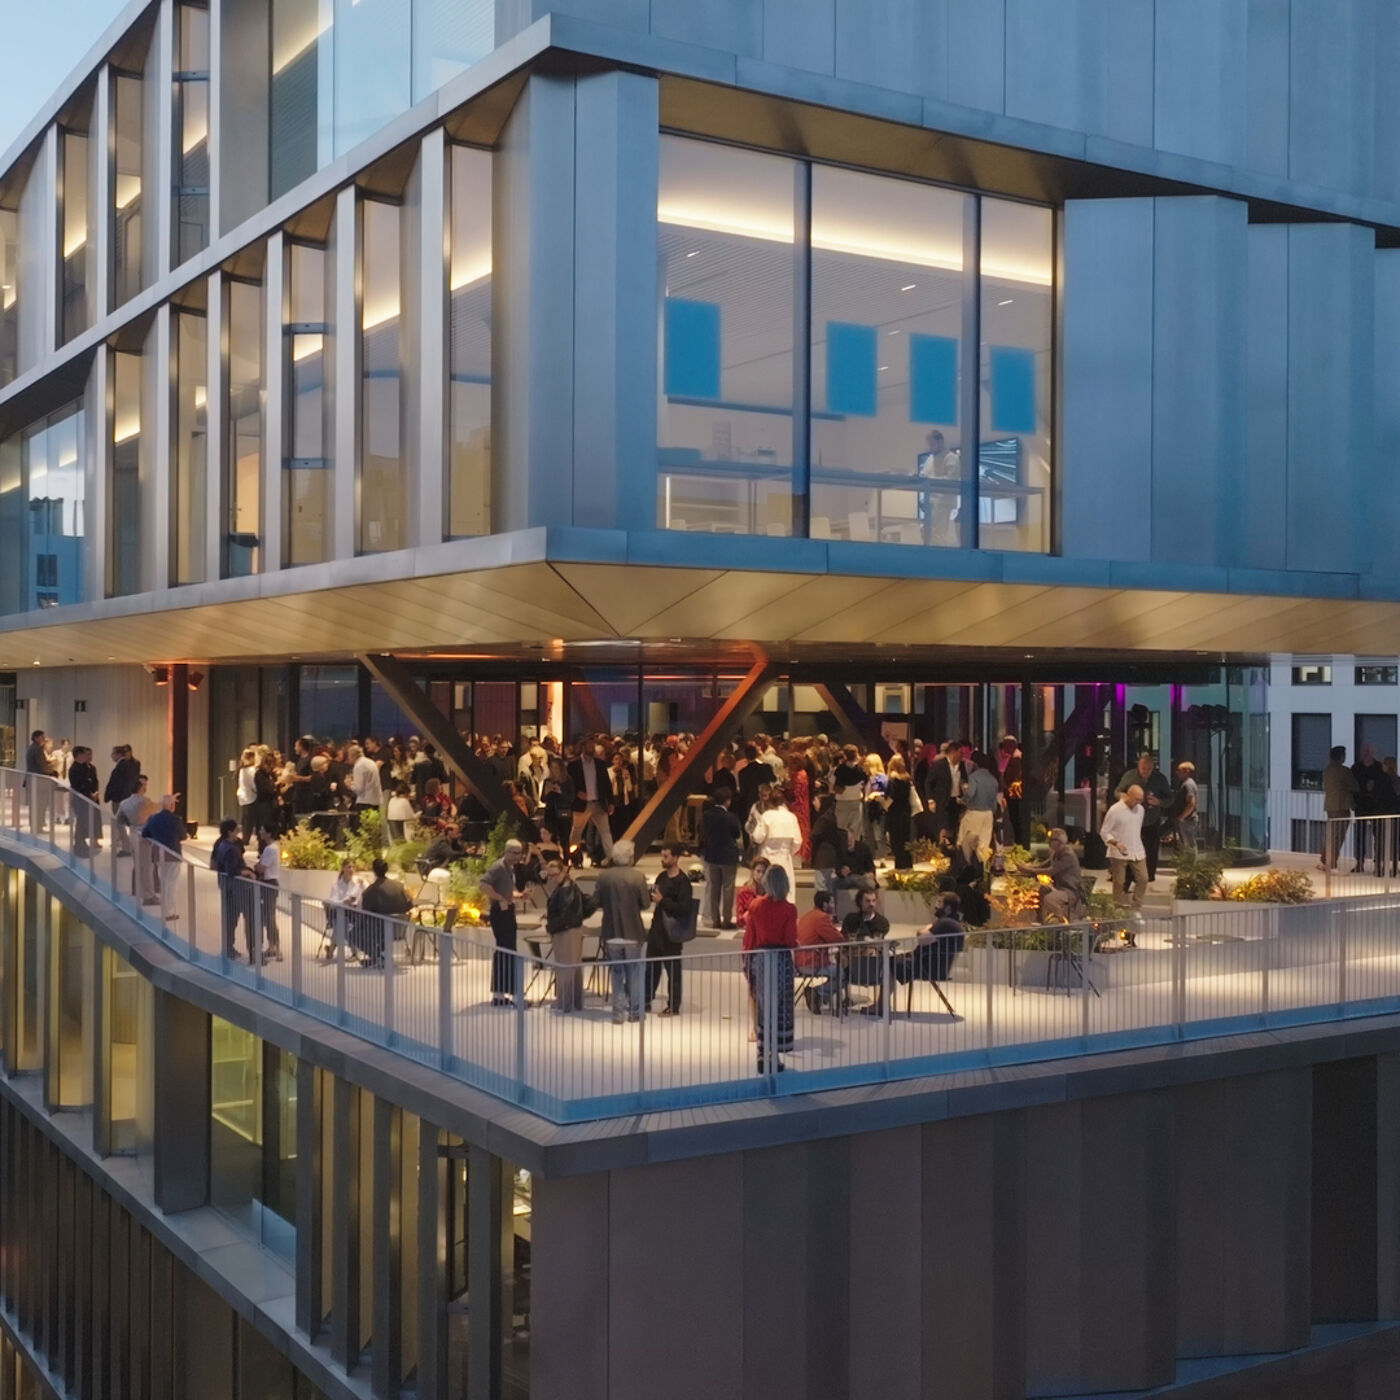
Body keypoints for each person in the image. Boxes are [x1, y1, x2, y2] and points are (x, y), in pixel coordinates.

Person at [742, 864, 798, 1073]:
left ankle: (762, 1052)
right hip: (780, 960)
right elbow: (790, 939)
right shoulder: (789, 909)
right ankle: (774, 1054)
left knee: (763, 1007)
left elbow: (750, 937)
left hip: (760, 959)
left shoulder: (755, 906)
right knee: (780, 1007)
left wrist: (747, 960)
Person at [594, 839, 650, 1023]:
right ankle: (635, 1013)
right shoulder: (638, 876)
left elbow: (598, 901)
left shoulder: (603, 877)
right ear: (630, 857)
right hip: (633, 931)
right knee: (634, 972)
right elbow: (645, 903)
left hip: (611, 931)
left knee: (616, 974)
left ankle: (617, 1014)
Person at [647, 843, 693, 1016]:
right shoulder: (661, 877)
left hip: (672, 933)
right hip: (657, 929)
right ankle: (645, 1000)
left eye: (666, 856)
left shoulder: (683, 882)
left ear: (675, 858)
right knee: (651, 968)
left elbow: (684, 908)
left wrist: (662, 901)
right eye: (662, 855)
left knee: (673, 971)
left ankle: (673, 1005)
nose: (663, 859)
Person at [1116, 753, 1172, 885]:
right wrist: (1125, 798)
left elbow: (1170, 799)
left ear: (1153, 768)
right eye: (1143, 769)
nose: (1145, 772)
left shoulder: (1160, 779)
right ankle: (1129, 878)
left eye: (1149, 769)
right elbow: (1117, 791)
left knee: (1151, 849)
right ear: (1138, 766)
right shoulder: (1129, 776)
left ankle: (1148, 877)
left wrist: (1159, 802)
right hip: (1132, 820)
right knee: (1130, 848)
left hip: (1151, 819)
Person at [480, 839, 524, 1005]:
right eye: (514, 852)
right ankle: (501, 993)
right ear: (507, 852)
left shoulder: (509, 868)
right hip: (500, 912)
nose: (518, 856)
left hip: (507, 910)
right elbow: (483, 884)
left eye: (519, 853)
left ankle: (503, 992)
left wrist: (518, 896)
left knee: (508, 950)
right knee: (505, 950)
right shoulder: (498, 867)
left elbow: (507, 889)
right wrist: (500, 899)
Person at [543, 857, 588, 1012]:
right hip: (569, 930)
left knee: (566, 968)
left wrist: (551, 926)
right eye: (550, 875)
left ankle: (566, 1003)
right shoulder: (569, 886)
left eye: (555, 874)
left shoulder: (566, 889)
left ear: (563, 872)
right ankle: (572, 1002)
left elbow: (566, 915)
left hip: (566, 931)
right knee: (570, 967)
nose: (552, 878)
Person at [1015, 828, 1084, 921]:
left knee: (1050, 899)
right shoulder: (1055, 853)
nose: (1049, 842)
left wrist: (1028, 869)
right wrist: (1025, 868)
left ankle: (1062, 921)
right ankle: (1040, 920)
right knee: (1042, 889)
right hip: (1059, 887)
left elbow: (1050, 871)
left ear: (1059, 841)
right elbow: (1042, 865)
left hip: (1069, 891)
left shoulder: (1068, 855)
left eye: (1052, 840)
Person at [796, 889, 845, 1013]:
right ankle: (818, 992)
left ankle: (821, 996)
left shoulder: (806, 916)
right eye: (832, 903)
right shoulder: (821, 918)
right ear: (825, 904)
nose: (834, 906)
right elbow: (837, 938)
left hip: (800, 961)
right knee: (844, 974)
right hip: (812, 962)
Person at [211, 818, 254, 959]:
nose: (238, 833)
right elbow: (232, 870)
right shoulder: (230, 849)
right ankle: (251, 952)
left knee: (229, 919)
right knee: (243, 918)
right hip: (237, 888)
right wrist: (247, 872)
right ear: (230, 832)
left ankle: (228, 948)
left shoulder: (221, 845)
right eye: (236, 830)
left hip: (227, 886)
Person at [700, 787, 742, 929]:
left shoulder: (706, 815)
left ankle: (715, 920)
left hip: (712, 854)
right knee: (728, 888)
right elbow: (736, 834)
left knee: (714, 888)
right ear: (727, 801)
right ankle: (727, 920)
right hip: (728, 855)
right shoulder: (731, 817)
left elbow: (704, 833)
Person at [567, 742, 615, 864]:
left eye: (592, 746)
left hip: (598, 802)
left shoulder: (599, 764)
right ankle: (575, 858)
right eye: (589, 746)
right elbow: (568, 783)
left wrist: (610, 802)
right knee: (576, 832)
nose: (591, 748)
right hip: (582, 803)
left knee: (605, 831)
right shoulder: (574, 764)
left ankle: (611, 857)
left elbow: (606, 784)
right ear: (583, 747)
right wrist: (577, 792)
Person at [1101, 784, 1147, 910]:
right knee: (1119, 881)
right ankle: (1117, 906)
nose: (1139, 802)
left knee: (1143, 878)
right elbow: (1104, 831)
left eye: (1140, 800)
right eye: (1136, 799)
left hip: (1137, 848)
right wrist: (1116, 843)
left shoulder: (1140, 810)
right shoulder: (1115, 810)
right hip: (1118, 850)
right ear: (1128, 796)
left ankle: (1136, 905)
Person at [359, 857, 411, 967]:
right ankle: (379, 957)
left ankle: (379, 957)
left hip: (380, 930)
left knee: (353, 932)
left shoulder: (370, 891)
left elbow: (365, 914)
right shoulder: (399, 886)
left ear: (373, 871)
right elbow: (408, 906)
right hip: (398, 929)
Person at [750, 792, 801, 900]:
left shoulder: (767, 816)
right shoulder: (791, 817)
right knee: (786, 887)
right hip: (784, 857)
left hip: (768, 857)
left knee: (768, 887)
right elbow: (798, 841)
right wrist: (788, 852)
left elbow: (758, 837)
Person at [141, 795, 185, 919]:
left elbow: (145, 833)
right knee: (171, 884)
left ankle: (165, 910)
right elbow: (183, 836)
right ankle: (168, 912)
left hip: (158, 855)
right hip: (173, 855)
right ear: (172, 806)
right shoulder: (176, 819)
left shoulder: (153, 818)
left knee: (164, 882)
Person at [917, 426, 961, 546]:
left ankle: (938, 559)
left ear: (940, 442)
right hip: (930, 500)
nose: (930, 447)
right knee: (925, 530)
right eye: (929, 444)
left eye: (932, 444)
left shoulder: (951, 458)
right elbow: (924, 476)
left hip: (943, 501)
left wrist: (929, 480)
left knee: (936, 533)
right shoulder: (930, 459)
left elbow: (951, 480)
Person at [1322, 745, 1360, 873]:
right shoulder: (1344, 771)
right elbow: (1355, 786)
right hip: (1341, 806)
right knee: (1338, 836)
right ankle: (1331, 864)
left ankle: (1325, 860)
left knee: (1330, 834)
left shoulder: (1327, 770)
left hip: (1330, 805)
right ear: (1341, 756)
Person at [957, 751, 1000, 860]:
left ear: (976, 764)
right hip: (988, 814)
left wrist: (962, 801)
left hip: (975, 812)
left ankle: (969, 866)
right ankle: (983, 866)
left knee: (968, 842)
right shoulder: (993, 779)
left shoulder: (974, 777)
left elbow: (970, 793)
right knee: (984, 844)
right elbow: (994, 801)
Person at [1352, 744, 1386, 875]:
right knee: (1359, 835)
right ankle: (1359, 862)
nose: (1366, 753)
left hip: (1376, 806)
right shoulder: (1356, 768)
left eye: (1368, 751)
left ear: (1373, 752)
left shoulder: (1379, 768)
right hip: (1360, 805)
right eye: (1364, 751)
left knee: (1378, 836)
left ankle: (1378, 864)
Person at [115, 777, 157, 879]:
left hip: (133, 833)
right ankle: (148, 891)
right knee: (148, 864)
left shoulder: (124, 803)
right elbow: (156, 813)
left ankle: (135, 888)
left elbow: (119, 819)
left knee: (137, 862)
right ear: (142, 788)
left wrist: (130, 823)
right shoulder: (146, 801)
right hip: (146, 835)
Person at [254, 826, 284, 960]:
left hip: (269, 883)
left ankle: (275, 945)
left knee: (269, 916)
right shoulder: (272, 848)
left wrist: (257, 866)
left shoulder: (270, 849)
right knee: (267, 916)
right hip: (269, 883)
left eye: (263, 830)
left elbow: (261, 867)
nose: (260, 833)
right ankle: (272, 945)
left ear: (269, 833)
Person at [68, 745, 101, 855]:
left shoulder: (84, 767)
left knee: (84, 822)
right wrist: (90, 794)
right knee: (81, 822)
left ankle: (81, 841)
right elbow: (79, 785)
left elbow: (91, 781)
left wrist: (94, 793)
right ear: (78, 755)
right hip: (80, 800)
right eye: (83, 754)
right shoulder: (75, 768)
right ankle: (79, 843)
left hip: (86, 798)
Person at [830, 745, 865, 848]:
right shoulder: (860, 770)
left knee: (841, 830)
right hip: (856, 801)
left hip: (842, 802)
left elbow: (832, 788)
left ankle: (841, 854)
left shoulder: (838, 770)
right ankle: (854, 853)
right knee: (855, 831)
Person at [347, 744, 384, 841]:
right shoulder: (370, 762)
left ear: (354, 755)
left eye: (349, 755)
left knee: (364, 833)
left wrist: (349, 785)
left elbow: (359, 789)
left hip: (365, 802)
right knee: (374, 832)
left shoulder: (359, 766)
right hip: (375, 801)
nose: (348, 758)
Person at [884, 755, 915, 870]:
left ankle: (899, 863)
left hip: (895, 812)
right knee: (906, 838)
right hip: (906, 810)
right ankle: (908, 862)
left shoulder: (892, 779)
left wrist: (884, 805)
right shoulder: (907, 778)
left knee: (896, 839)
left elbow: (891, 797)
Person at [326, 858, 361, 959]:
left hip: (353, 913)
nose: (351, 869)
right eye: (349, 867)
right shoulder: (336, 885)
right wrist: (343, 903)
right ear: (343, 868)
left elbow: (359, 898)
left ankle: (331, 948)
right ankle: (354, 952)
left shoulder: (357, 884)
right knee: (343, 923)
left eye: (353, 867)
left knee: (342, 925)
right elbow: (332, 902)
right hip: (338, 912)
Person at [24, 729, 54, 834]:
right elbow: (42, 767)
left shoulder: (32, 748)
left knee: (36, 805)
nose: (44, 739)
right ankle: (38, 827)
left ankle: (36, 826)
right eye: (42, 737)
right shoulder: (37, 749)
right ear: (36, 738)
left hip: (34, 781)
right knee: (39, 805)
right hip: (38, 782)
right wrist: (52, 771)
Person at [997, 735, 1025, 847]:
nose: (1004, 749)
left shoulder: (1016, 760)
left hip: (1014, 795)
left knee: (1015, 819)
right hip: (1013, 794)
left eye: (1006, 745)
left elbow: (1010, 779)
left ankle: (1019, 842)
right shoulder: (1013, 758)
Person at [104, 745, 141, 822]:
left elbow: (118, 783)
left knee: (119, 820)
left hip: (119, 798)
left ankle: (122, 834)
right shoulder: (125, 765)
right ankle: (122, 834)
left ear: (119, 754)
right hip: (122, 797)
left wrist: (111, 795)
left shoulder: (123, 766)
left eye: (113, 753)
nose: (112, 756)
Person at [734, 858, 770, 933]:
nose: (761, 875)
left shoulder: (772, 892)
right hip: (749, 929)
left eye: (764, 872)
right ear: (753, 871)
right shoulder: (744, 891)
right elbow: (740, 918)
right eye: (758, 871)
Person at [1172, 761, 1199, 850]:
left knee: (1188, 844)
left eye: (1179, 770)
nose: (1177, 772)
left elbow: (1191, 803)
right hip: (1187, 819)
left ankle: (1190, 863)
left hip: (1188, 820)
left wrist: (1181, 817)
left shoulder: (1188, 785)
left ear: (1187, 771)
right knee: (1185, 843)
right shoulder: (1186, 783)